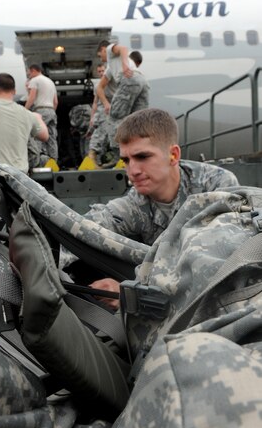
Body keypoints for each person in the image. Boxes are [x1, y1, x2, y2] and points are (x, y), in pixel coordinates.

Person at [83, 108, 239, 307]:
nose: (133, 171)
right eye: (126, 160)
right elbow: (89, 225)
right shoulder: (134, 205)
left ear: (173, 155)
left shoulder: (216, 185)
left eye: (142, 157)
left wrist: (131, 290)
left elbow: (218, 260)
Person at [95, 42, 150, 164]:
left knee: (115, 117)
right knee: (138, 119)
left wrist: (125, 66)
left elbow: (123, 48)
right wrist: (105, 103)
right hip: (142, 81)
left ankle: (117, 156)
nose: (101, 58)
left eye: (100, 55)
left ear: (104, 49)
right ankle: (142, 152)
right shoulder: (112, 66)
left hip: (130, 80)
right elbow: (99, 87)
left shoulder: (109, 51)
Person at [25, 64, 59, 163]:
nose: (28, 75)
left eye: (29, 73)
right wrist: (52, 111)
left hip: (40, 110)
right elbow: (56, 101)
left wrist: (24, 111)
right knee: (52, 137)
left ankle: (38, 161)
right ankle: (54, 161)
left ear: (33, 71)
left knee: (37, 136)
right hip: (51, 110)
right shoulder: (50, 81)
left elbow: (31, 98)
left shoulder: (35, 80)